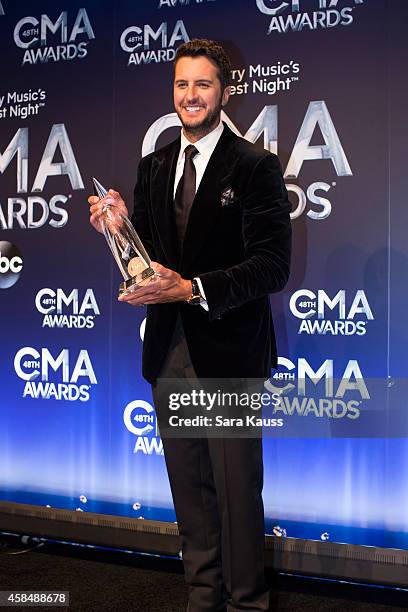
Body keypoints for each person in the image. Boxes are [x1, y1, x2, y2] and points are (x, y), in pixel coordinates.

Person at [88, 39, 291, 612]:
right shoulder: (153, 167)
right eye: (181, 85)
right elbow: (146, 262)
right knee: (191, 496)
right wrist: (119, 229)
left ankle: (248, 601)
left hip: (227, 354)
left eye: (202, 84)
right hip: (169, 353)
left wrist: (194, 288)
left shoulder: (255, 165)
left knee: (235, 495)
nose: (190, 95)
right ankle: (202, 598)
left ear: (224, 92)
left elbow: (273, 265)